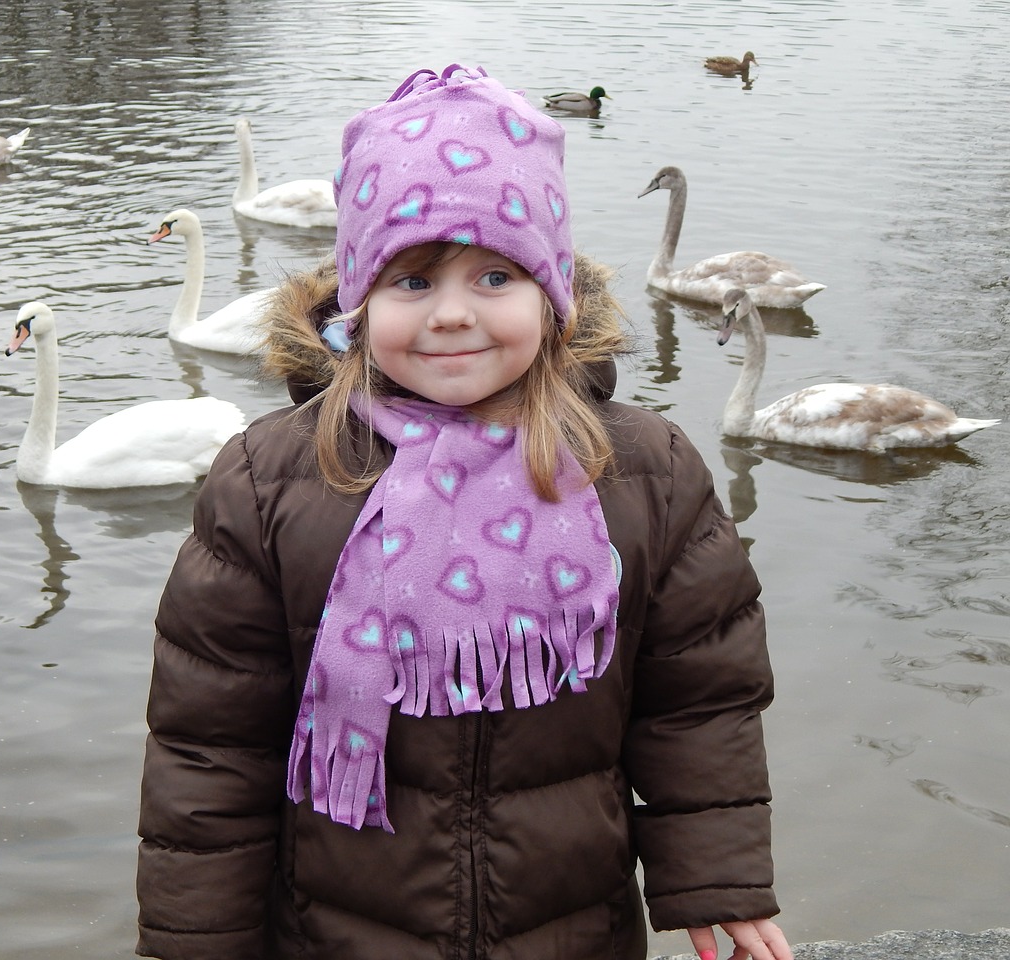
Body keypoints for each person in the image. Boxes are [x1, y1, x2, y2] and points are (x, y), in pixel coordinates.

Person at [136, 64, 791, 960]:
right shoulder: (272, 479)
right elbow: (210, 741)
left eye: (494, 277)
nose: (451, 315)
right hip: (337, 931)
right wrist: (197, 938)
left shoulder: (643, 472)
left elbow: (699, 700)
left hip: (571, 930)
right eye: (411, 282)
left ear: (552, 297)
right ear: (359, 305)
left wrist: (715, 873)